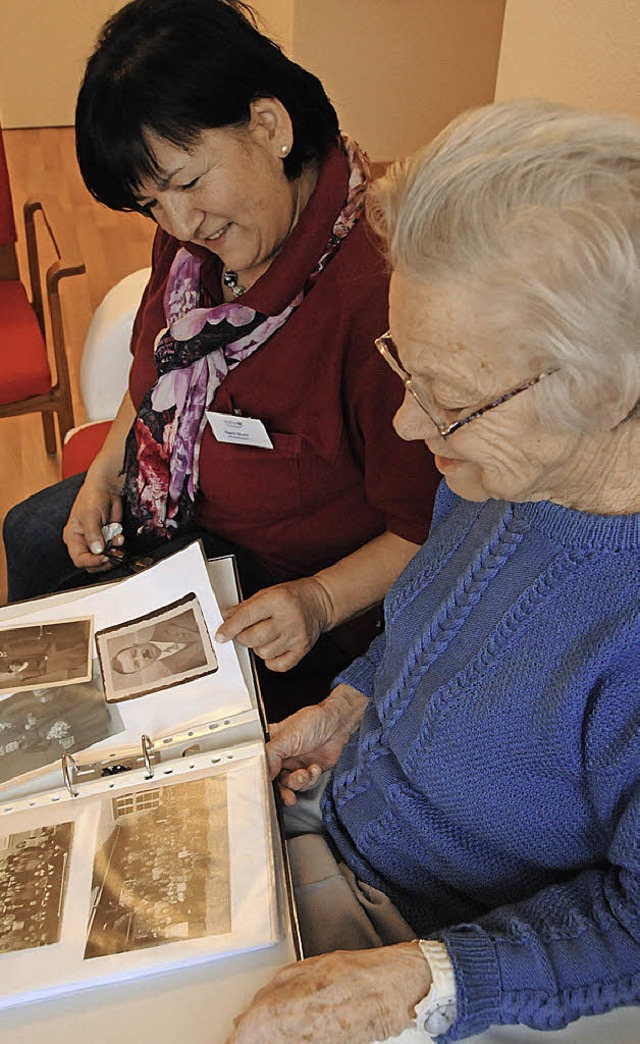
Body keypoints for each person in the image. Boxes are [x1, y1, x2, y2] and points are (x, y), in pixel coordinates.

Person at [228, 100, 640, 1043]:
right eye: (403, 368)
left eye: (446, 398)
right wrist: (352, 703)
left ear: (609, 389)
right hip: (326, 826)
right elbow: (433, 626)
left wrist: (424, 982)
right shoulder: (503, 460)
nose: (412, 427)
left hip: (409, 939)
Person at [2, 0, 438, 719]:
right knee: (34, 535)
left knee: (144, 722)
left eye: (186, 183)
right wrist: (106, 474)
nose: (179, 226)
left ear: (269, 126)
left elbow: (430, 527)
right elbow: (152, 373)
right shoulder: (196, 241)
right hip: (180, 507)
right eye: (150, 205)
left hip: (295, 592)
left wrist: (320, 601)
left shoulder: (378, 299)